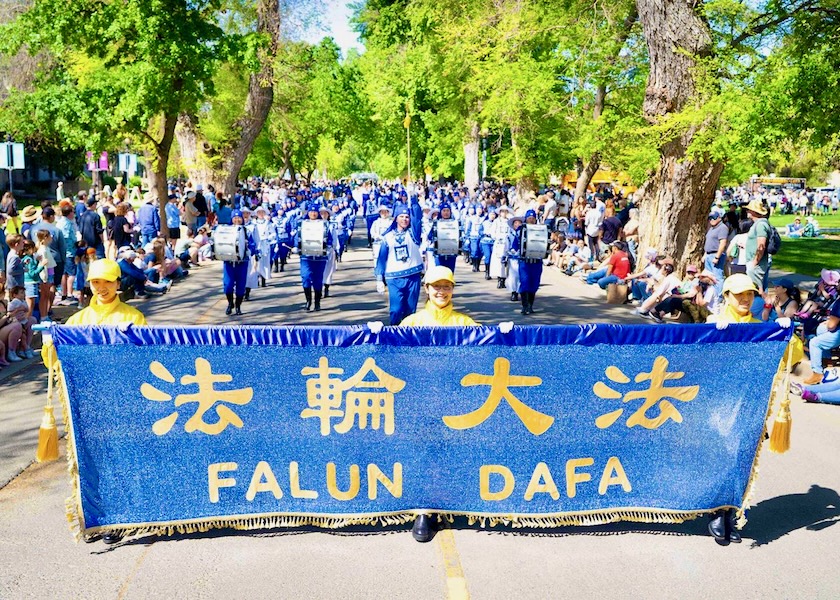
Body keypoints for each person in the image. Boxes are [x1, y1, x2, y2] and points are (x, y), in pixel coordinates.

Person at [374, 198, 424, 325]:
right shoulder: (387, 237)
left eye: (407, 216)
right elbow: (381, 259)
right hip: (394, 278)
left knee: (410, 311)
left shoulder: (413, 233)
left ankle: (407, 339)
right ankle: (394, 337)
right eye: (401, 216)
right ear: (396, 218)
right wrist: (379, 278)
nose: (405, 219)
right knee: (396, 310)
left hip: (413, 276)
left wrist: (414, 201)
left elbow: (417, 217)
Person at [294, 204, 332, 312]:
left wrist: (328, 247)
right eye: (311, 211)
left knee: (318, 280)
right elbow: (297, 236)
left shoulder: (324, 224)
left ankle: (317, 302)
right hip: (306, 257)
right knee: (305, 278)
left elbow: (329, 238)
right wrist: (296, 246)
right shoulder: (302, 224)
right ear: (308, 213)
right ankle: (308, 301)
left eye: (315, 212)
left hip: (320, 257)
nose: (313, 213)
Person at [221, 210, 258, 316]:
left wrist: (249, 250)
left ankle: (238, 306)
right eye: (234, 218)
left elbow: (252, 244)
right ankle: (230, 303)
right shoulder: (226, 230)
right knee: (228, 285)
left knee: (241, 285)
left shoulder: (246, 231)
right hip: (229, 262)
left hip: (242, 262)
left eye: (239, 218)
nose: (237, 220)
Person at [511, 210, 545, 315]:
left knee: (534, 283)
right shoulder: (521, 229)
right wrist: (514, 251)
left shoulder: (540, 229)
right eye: (529, 218)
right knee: (525, 282)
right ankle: (524, 306)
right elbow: (515, 244)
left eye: (533, 218)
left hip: (537, 261)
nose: (531, 220)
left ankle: (530, 305)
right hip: (524, 261)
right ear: (526, 219)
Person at [744, 199, 772, 292]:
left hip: (757, 263)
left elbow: (761, 246)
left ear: (754, 212)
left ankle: (761, 305)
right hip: (753, 261)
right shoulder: (757, 224)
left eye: (749, 209)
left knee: (757, 290)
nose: (747, 211)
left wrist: (755, 262)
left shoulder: (761, 225)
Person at [704, 208, 729, 295]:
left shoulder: (722, 228)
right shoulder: (711, 228)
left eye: (713, 218)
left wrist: (717, 256)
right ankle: (710, 295)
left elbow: (723, 243)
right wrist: (705, 254)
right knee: (708, 277)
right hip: (708, 254)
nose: (711, 220)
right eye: (710, 218)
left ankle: (719, 296)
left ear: (719, 218)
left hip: (716, 254)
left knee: (717, 277)